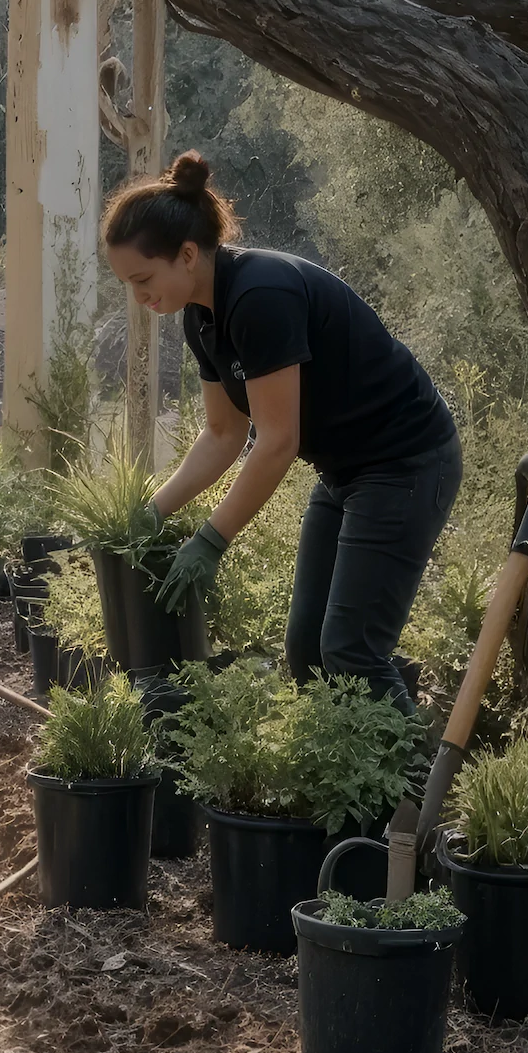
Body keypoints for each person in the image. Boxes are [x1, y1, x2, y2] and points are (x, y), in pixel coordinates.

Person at [102, 153, 460, 700]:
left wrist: (210, 540)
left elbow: (278, 442)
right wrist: (151, 512)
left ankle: (417, 785)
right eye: (129, 283)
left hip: (406, 463)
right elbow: (224, 434)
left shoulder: (260, 297)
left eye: (144, 278)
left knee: (352, 650)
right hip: (345, 472)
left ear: (188, 254)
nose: (139, 296)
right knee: (309, 653)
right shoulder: (202, 318)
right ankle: (342, 783)